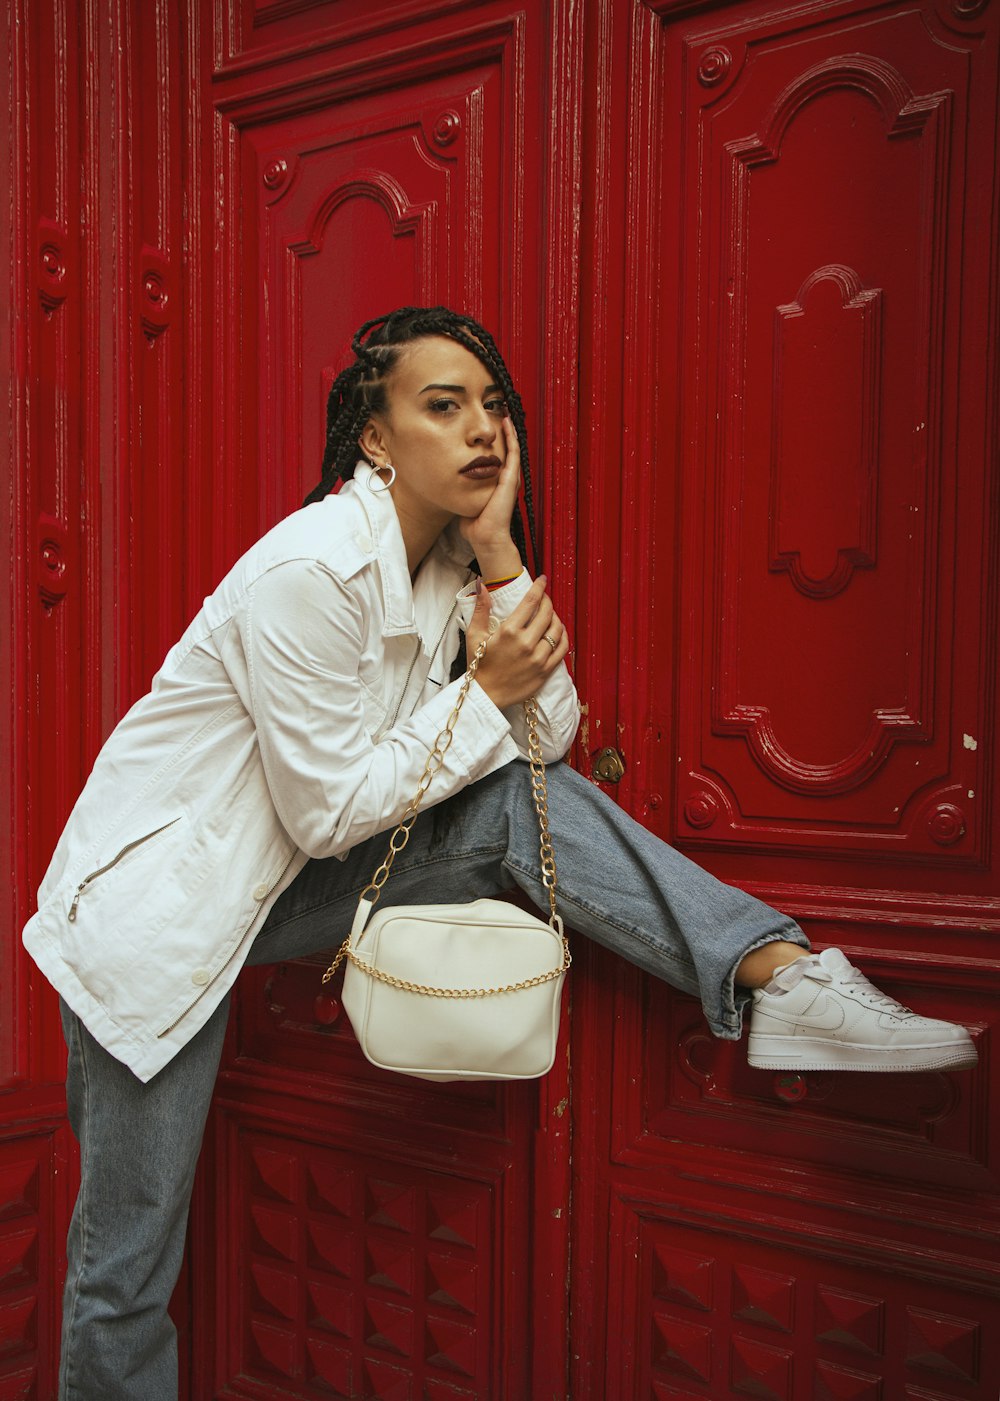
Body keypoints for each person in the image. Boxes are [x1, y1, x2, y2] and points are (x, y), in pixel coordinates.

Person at [22, 305, 977, 1399]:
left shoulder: (443, 574)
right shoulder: (312, 572)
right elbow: (330, 812)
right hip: (157, 923)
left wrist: (498, 552)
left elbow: (546, 741)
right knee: (128, 1270)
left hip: (271, 887)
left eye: (491, 407)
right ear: (374, 439)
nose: (481, 428)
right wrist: (481, 690)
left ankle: (780, 978)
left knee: (518, 800)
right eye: (442, 406)